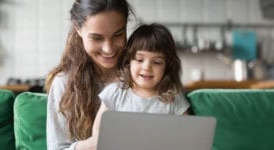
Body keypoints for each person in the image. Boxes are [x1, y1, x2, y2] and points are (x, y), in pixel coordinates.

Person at [45, 0, 133, 149]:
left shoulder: (142, 76)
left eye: (118, 35)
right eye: (97, 38)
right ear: (77, 28)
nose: (108, 49)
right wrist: (96, 143)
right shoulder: (64, 83)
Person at [92, 23, 190, 140]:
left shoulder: (174, 98)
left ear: (167, 66)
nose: (147, 67)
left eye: (157, 62)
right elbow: (98, 131)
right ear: (129, 61)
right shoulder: (115, 93)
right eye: (139, 60)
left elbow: (186, 136)